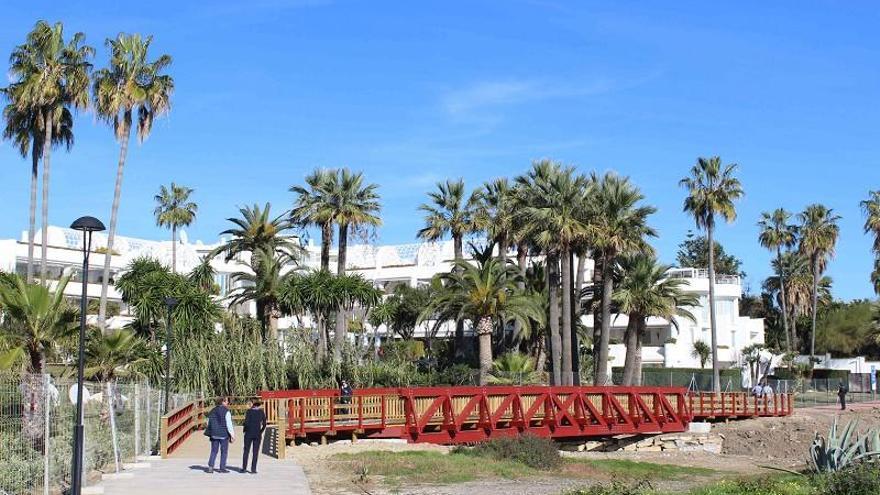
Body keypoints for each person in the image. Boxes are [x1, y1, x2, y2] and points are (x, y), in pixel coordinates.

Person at [205, 397, 234, 473]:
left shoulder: (212, 410)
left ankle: (210, 467)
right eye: (227, 401)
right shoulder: (226, 411)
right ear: (223, 402)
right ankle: (222, 468)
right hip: (223, 434)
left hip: (214, 434)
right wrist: (232, 435)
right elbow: (229, 424)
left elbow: (208, 422)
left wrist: (212, 429)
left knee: (214, 451)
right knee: (224, 451)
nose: (228, 403)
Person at [242, 399, 267, 474]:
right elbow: (264, 424)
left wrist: (245, 429)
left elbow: (246, 423)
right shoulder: (261, 412)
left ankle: (244, 468)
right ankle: (253, 469)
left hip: (248, 433)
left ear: (253, 404)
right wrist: (261, 431)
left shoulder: (249, 411)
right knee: (255, 452)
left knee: (246, 451)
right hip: (257, 434)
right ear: (259, 405)